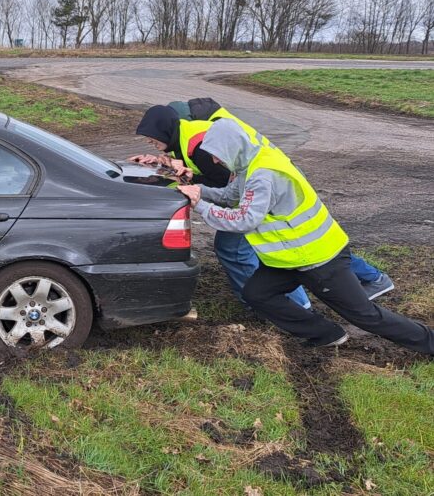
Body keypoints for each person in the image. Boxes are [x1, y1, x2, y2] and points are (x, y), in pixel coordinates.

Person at [176, 118, 433, 353]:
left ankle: (429, 342)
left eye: (217, 155)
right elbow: (230, 196)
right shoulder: (253, 163)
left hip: (319, 260)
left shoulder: (262, 176)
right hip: (290, 259)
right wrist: (197, 189)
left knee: (366, 316)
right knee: (257, 294)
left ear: (232, 147)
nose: (215, 161)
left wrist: (200, 205)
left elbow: (244, 220)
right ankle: (326, 334)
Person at [130, 104, 394, 306]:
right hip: (273, 179)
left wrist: (195, 193)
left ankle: (291, 304)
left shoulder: (200, 146)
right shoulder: (186, 134)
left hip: (268, 185)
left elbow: (228, 189)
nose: (152, 144)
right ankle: (373, 278)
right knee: (315, 247)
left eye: (153, 140)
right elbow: (209, 175)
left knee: (235, 249)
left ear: (165, 131)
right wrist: (164, 164)